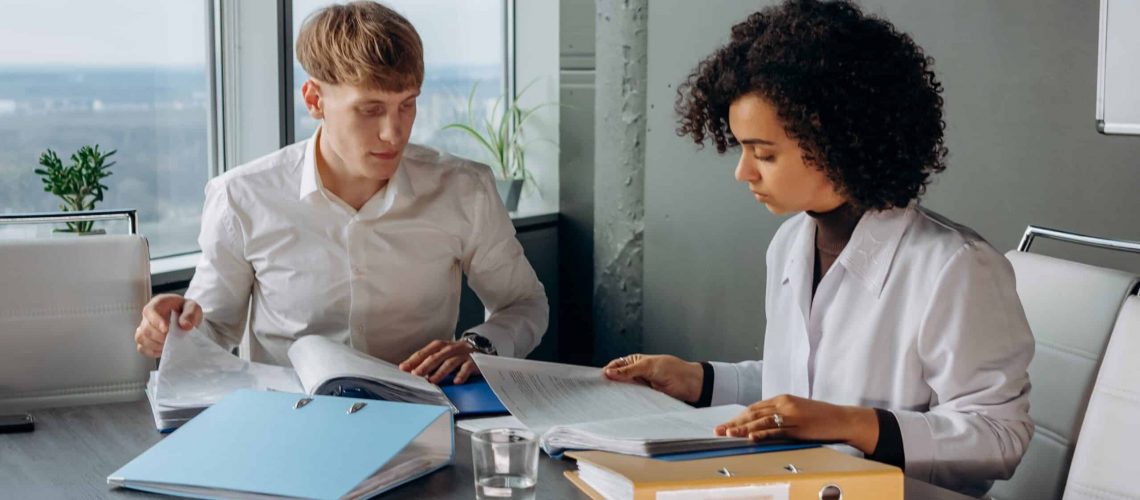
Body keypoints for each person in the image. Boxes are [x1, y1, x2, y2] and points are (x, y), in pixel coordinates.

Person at [602, 0, 1033, 495]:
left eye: (764, 153)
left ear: (837, 141)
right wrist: (699, 380)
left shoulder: (954, 267)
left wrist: (850, 424)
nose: (743, 173)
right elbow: (804, 391)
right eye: (741, 149)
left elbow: (1000, 437)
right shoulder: (789, 243)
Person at [132, 1, 548, 385]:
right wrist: (174, 329)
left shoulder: (464, 189)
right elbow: (213, 331)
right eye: (370, 109)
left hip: (423, 417)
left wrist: (478, 347)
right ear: (315, 99)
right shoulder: (242, 197)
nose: (394, 132)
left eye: (407, 104)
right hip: (286, 422)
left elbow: (524, 303)